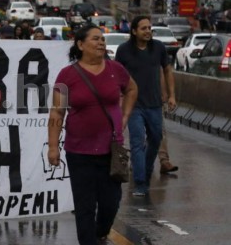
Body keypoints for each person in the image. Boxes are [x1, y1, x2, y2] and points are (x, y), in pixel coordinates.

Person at [49, 25, 137, 245]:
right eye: (95, 39)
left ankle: (99, 233)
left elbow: (132, 89)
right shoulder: (67, 75)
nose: (101, 43)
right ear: (80, 44)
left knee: (111, 202)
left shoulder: (116, 69)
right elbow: (57, 111)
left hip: (111, 149)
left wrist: (125, 115)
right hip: (78, 151)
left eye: (103, 40)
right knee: (85, 205)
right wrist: (53, 147)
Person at [115, 16, 176, 196]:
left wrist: (171, 95)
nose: (148, 31)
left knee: (156, 139)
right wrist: (118, 97)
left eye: (149, 28)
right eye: (143, 28)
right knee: (137, 143)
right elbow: (117, 75)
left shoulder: (158, 48)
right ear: (134, 31)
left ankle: (146, 170)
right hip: (133, 106)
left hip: (155, 105)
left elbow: (167, 70)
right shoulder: (124, 50)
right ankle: (141, 183)